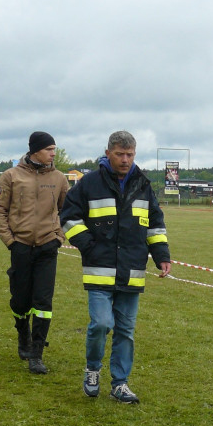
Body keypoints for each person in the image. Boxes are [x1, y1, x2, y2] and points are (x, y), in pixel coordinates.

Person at [59, 131, 171, 404]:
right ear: (108, 152)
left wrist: (161, 255)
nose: (125, 159)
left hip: (132, 270)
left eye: (130, 154)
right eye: (120, 154)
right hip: (99, 268)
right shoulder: (89, 183)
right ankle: (92, 369)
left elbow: (155, 223)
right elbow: (68, 216)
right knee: (100, 324)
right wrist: (88, 245)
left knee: (125, 331)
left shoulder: (143, 184)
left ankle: (120, 383)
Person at [0, 131, 70, 374]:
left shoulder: (59, 178)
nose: (53, 154)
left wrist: (58, 237)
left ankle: (37, 353)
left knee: (43, 301)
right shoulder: (11, 176)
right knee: (20, 299)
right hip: (21, 247)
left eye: (54, 149)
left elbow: (68, 211)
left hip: (47, 247)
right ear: (35, 150)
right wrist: (11, 242)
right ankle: (22, 332)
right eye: (49, 149)